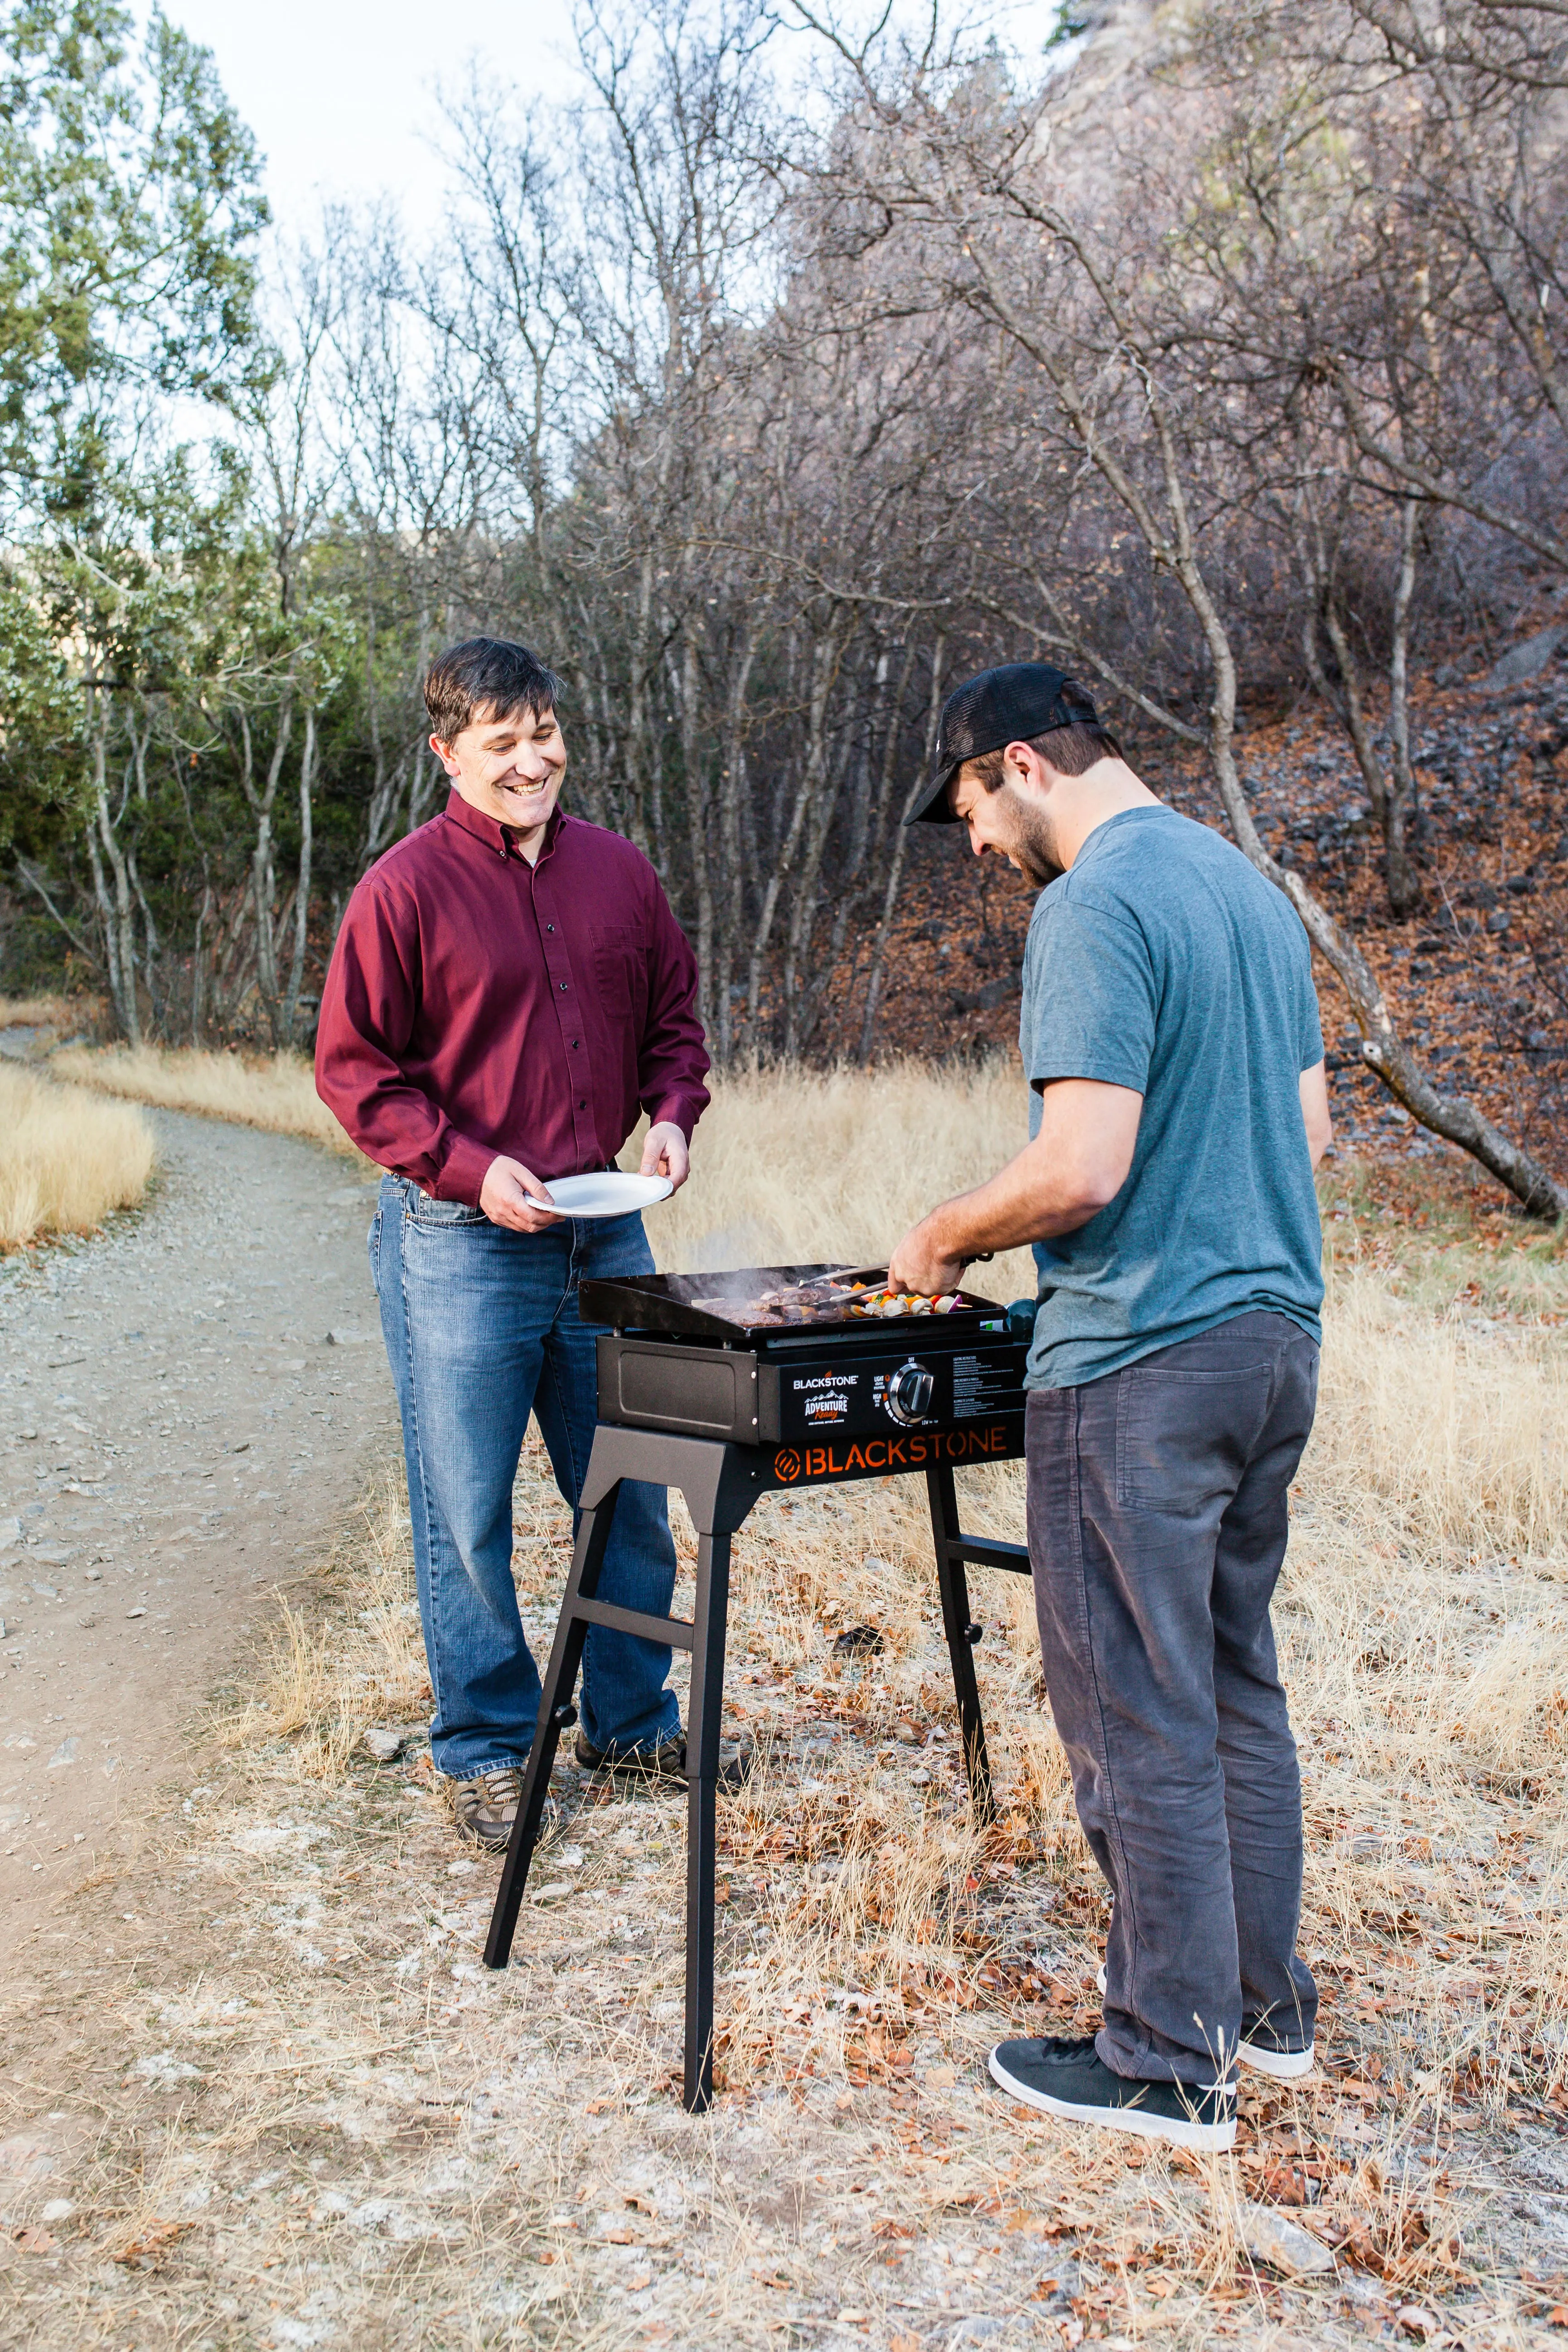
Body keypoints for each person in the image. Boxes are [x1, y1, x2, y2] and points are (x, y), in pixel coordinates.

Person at [889, 662, 1331, 2153]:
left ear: (1019, 763)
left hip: (1138, 1361)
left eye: (967, 806)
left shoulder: (1091, 899)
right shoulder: (1250, 894)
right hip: (1273, 1347)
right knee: (1227, 1679)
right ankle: (1261, 2009)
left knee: (1132, 1700)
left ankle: (1161, 2057)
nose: (972, 843)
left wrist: (947, 1230)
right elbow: (1309, 1128)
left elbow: (1079, 1165)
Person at [316, 635, 736, 1853]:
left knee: (633, 1485)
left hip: (606, 1232)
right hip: (461, 1241)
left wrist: (669, 1116)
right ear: (446, 752)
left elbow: (674, 1026)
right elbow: (357, 1076)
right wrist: (463, 1165)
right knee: (465, 1507)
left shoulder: (620, 873)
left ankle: (632, 1719)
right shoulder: (399, 893)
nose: (531, 758)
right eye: (501, 742)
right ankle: (488, 1748)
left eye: (543, 733)